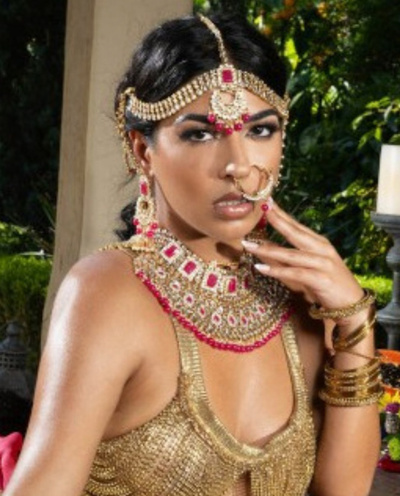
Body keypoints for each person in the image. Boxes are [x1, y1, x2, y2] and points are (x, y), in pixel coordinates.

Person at [4, 13, 381, 496]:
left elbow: (343, 490)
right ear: (143, 151)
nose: (238, 164)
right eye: (201, 134)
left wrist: (354, 322)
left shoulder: (303, 303)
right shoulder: (107, 293)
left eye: (260, 130)